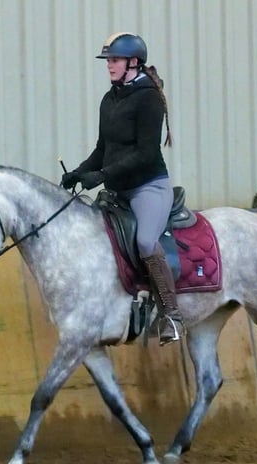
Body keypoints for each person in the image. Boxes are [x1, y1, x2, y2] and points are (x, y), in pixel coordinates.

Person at [61, 32, 183, 345]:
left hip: (148, 188)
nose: (109, 66)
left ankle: (171, 314)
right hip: (117, 191)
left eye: (114, 60)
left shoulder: (149, 99)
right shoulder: (110, 98)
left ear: (133, 62)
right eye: (109, 61)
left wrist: (100, 175)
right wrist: (79, 172)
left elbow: (145, 154)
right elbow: (103, 148)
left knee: (144, 241)